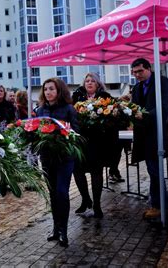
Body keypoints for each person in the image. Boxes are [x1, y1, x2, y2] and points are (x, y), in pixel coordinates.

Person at [35, 77, 79, 247]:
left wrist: (64, 133)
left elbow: (76, 132)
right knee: (53, 194)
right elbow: (36, 131)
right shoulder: (40, 111)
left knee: (62, 192)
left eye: (52, 89)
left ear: (59, 90)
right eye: (46, 89)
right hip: (47, 158)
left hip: (64, 158)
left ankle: (64, 231)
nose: (48, 92)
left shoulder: (69, 109)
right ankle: (55, 228)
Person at [131, 58, 168, 220]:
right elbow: (134, 107)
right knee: (152, 169)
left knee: (155, 169)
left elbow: (164, 105)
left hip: (159, 132)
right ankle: (159, 201)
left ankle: (158, 204)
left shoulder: (162, 81)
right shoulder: (137, 87)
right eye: (134, 72)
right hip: (144, 135)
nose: (137, 75)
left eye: (140, 71)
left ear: (149, 68)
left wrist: (145, 115)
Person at [72, 72, 117, 219]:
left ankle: (97, 204)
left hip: (98, 142)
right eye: (87, 81)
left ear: (97, 83)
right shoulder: (77, 97)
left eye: (92, 81)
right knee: (77, 171)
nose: (89, 83)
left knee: (96, 172)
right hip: (81, 141)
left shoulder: (105, 97)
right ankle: (85, 199)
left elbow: (112, 118)